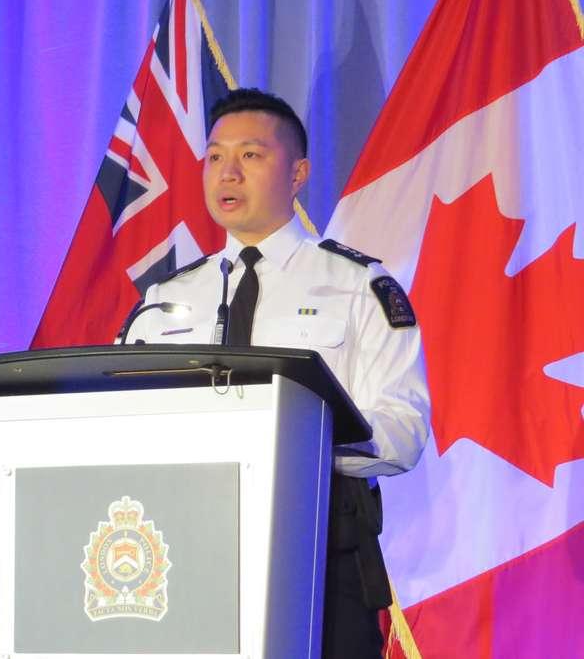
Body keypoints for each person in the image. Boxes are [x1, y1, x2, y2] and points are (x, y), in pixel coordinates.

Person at [127, 88, 430, 658]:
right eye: (215, 157)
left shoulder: (359, 286)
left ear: (298, 173)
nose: (228, 173)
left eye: (251, 155)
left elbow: (405, 429)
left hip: (318, 548)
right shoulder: (165, 299)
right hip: (184, 551)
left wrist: (295, 441)